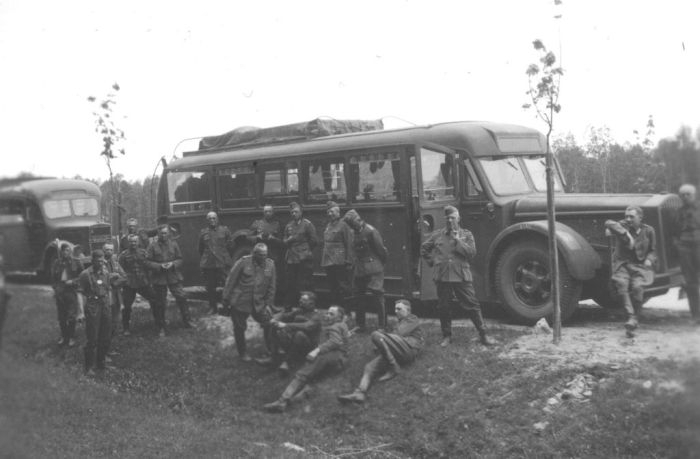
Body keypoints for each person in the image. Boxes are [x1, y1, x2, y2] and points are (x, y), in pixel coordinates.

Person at [421, 205, 493, 347]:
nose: (450, 220)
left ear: (458, 219)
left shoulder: (466, 235)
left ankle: (483, 334)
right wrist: (433, 261)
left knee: (472, 305)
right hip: (443, 276)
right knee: (444, 307)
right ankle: (447, 336)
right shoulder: (437, 235)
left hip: (461, 276)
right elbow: (424, 248)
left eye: (452, 217)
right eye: (447, 218)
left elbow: (471, 253)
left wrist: (458, 241)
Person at [263, 305, 349, 413]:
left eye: (331, 314)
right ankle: (297, 398)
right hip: (340, 361)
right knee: (314, 378)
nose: (327, 315)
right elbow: (341, 339)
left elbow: (334, 342)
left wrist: (316, 351)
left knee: (302, 374)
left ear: (339, 317)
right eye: (327, 313)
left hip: (332, 357)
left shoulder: (334, 327)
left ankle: (282, 401)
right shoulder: (341, 325)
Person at [338, 299, 424, 404]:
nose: (396, 311)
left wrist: (382, 338)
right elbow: (393, 337)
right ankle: (359, 392)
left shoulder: (412, 318)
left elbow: (399, 334)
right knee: (369, 367)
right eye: (395, 309)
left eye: (399, 309)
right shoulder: (399, 323)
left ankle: (394, 367)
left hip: (408, 350)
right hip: (397, 352)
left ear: (408, 310)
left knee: (376, 334)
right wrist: (382, 343)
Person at [605, 206, 657, 337]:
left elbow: (653, 250)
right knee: (622, 285)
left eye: (631, 217)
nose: (628, 219)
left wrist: (650, 259)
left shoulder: (649, 230)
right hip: (622, 264)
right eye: (626, 216)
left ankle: (635, 318)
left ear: (640, 217)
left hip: (639, 266)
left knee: (638, 287)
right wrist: (625, 233)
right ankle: (631, 317)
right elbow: (608, 222)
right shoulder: (622, 226)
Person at [222, 242, 276, 362]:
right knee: (239, 328)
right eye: (261, 255)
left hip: (259, 303)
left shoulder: (270, 265)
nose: (263, 258)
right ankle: (243, 353)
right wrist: (226, 300)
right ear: (254, 254)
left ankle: (271, 349)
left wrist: (268, 304)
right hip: (241, 301)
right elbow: (230, 281)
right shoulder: (243, 262)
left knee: (269, 323)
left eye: (265, 255)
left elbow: (272, 287)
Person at [256, 290, 323, 373]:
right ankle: (273, 358)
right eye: (300, 299)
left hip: (308, 349)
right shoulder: (300, 310)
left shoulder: (316, 316)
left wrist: (286, 325)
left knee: (299, 334)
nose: (300, 301)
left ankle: (287, 362)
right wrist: (274, 319)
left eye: (304, 300)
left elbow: (307, 326)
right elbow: (285, 316)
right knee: (275, 327)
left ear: (311, 303)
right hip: (294, 342)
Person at [343, 209, 388, 330]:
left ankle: (382, 326)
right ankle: (360, 324)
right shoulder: (354, 232)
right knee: (358, 296)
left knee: (378, 296)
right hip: (359, 269)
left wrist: (379, 265)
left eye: (353, 224)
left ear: (358, 220)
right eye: (350, 225)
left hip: (374, 268)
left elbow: (381, 251)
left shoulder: (370, 231)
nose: (351, 227)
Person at [146, 225, 191, 336]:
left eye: (165, 233)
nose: (163, 235)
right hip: (159, 277)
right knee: (160, 302)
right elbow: (146, 262)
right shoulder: (152, 246)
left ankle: (187, 321)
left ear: (168, 234)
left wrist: (173, 264)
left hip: (173, 275)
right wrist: (159, 266)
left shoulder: (174, 244)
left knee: (181, 296)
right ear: (158, 234)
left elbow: (180, 259)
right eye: (161, 233)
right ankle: (161, 326)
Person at [77, 250, 114, 374]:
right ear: (92, 260)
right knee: (92, 338)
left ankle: (101, 363)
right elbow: (79, 293)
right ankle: (89, 367)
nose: (100, 262)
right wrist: (81, 312)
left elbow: (108, 289)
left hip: (105, 306)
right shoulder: (85, 274)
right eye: (97, 260)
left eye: (102, 260)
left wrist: (109, 303)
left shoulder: (106, 273)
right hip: (93, 306)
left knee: (106, 336)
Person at [118, 234, 158, 335]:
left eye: (135, 241)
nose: (133, 243)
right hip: (129, 283)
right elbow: (120, 269)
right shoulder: (123, 255)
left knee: (154, 300)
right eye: (131, 241)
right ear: (128, 242)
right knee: (126, 306)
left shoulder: (144, 253)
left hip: (143, 282)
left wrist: (149, 279)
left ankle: (159, 322)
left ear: (138, 242)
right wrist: (124, 280)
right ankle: (126, 327)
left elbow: (148, 266)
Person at [674, 183, 700, 325]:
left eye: (688, 194)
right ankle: (696, 315)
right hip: (685, 248)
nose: (685, 197)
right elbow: (674, 230)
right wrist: (678, 244)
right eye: (682, 195)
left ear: (694, 195)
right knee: (691, 282)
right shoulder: (679, 211)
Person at [283, 202, 318, 308]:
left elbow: (314, 241)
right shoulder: (289, 225)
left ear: (301, 213)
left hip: (304, 258)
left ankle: (309, 306)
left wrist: (305, 250)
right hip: (292, 258)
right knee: (291, 283)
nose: (294, 214)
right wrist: (288, 240)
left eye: (296, 212)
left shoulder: (307, 224)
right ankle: (289, 307)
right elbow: (284, 240)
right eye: (292, 212)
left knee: (306, 283)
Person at [198, 211, 234, 314]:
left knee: (227, 285)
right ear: (207, 221)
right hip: (209, 263)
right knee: (210, 287)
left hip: (222, 262)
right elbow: (200, 249)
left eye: (214, 218)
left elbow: (231, 245)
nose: (212, 220)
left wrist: (224, 255)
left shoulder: (224, 230)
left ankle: (227, 307)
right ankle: (212, 307)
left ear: (217, 219)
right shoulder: (203, 232)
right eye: (210, 219)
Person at [50, 243, 84, 347]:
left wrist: (73, 281)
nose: (66, 252)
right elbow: (53, 279)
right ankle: (64, 336)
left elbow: (83, 277)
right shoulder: (57, 263)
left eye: (68, 250)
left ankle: (71, 337)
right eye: (64, 250)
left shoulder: (76, 262)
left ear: (71, 251)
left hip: (71, 292)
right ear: (61, 252)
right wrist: (56, 288)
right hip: (60, 292)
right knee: (61, 317)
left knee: (71, 316)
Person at [321, 201, 353, 307]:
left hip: (339, 260)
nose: (330, 214)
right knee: (332, 286)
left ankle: (345, 309)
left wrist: (348, 260)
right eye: (328, 212)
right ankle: (335, 309)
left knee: (343, 286)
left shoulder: (344, 225)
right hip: (328, 260)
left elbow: (348, 243)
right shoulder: (329, 225)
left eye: (332, 212)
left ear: (338, 212)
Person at [250, 205, 284, 302]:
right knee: (260, 279)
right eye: (266, 211)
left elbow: (282, 242)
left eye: (269, 211)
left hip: (273, 256)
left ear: (273, 213)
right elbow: (248, 237)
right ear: (263, 213)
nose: (268, 213)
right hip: (259, 257)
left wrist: (273, 239)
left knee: (272, 280)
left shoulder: (277, 224)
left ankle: (272, 302)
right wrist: (257, 237)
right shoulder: (257, 224)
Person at [103, 243, 126, 337]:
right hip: (105, 292)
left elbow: (124, 276)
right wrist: (112, 276)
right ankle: (105, 331)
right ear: (103, 251)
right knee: (106, 312)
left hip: (115, 291)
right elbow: (99, 278)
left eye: (111, 250)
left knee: (116, 311)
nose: (109, 252)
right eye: (107, 250)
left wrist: (115, 282)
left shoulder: (115, 262)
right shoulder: (100, 263)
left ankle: (114, 331)